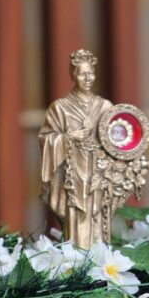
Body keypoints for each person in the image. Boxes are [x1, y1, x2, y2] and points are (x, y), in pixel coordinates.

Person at [39, 49, 113, 248]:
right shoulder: (60, 107)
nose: (88, 78)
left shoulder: (105, 106)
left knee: (97, 212)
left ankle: (100, 256)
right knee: (76, 212)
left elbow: (114, 139)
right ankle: (76, 259)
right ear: (73, 76)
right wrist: (69, 137)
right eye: (82, 74)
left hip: (97, 169)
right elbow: (46, 138)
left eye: (91, 73)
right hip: (73, 170)